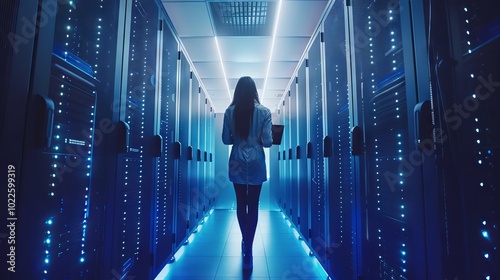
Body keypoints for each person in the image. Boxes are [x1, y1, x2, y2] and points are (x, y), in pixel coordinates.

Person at [222, 76, 273, 270]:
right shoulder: (264, 111)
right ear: (254, 91)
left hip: (237, 162)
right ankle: (249, 247)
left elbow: (226, 140)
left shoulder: (229, 111)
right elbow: (267, 142)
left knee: (241, 203)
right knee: (253, 205)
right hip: (257, 163)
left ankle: (245, 242)